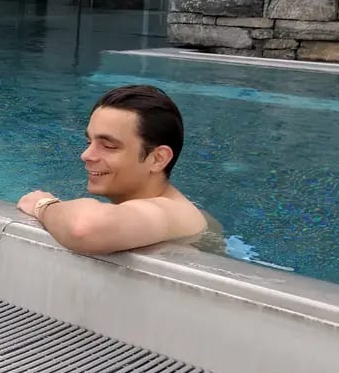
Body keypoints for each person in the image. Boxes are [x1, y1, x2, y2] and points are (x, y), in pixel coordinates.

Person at [17, 85, 209, 254]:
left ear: (158, 159)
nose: (86, 155)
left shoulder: (170, 212)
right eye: (89, 142)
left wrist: (43, 206)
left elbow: (85, 228)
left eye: (109, 146)